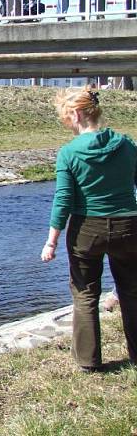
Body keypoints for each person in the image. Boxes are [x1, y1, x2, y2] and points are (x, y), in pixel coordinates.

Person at [41, 85, 137, 372]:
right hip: (129, 226)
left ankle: (88, 361)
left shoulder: (69, 153)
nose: (67, 124)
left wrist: (51, 241)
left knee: (85, 293)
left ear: (78, 113)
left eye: (66, 118)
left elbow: (64, 200)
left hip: (87, 230)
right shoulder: (128, 145)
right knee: (132, 290)